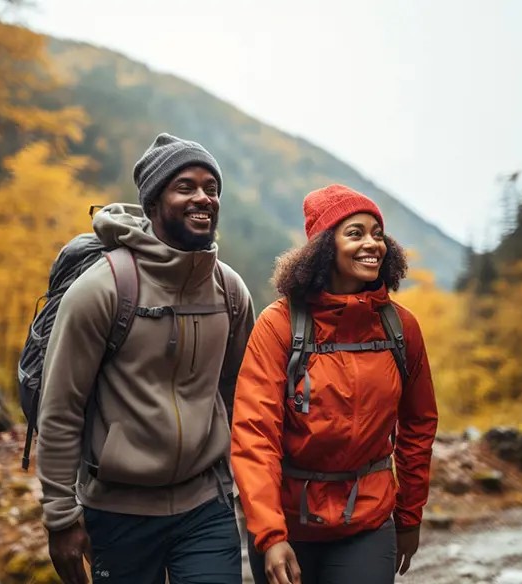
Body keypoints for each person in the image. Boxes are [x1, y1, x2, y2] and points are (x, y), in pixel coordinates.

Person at [35, 133, 256, 584]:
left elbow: (245, 399)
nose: (204, 198)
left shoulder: (230, 292)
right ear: (154, 203)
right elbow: (60, 410)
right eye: (186, 186)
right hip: (118, 512)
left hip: (206, 507)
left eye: (212, 188)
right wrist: (60, 518)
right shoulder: (103, 289)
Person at [230, 184, 438, 584]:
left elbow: (418, 424)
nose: (372, 244)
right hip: (289, 523)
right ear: (325, 247)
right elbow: (254, 433)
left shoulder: (401, 327)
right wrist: (270, 534)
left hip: (369, 524)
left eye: (378, 233)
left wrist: (410, 516)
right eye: (355, 233)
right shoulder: (279, 325)